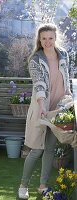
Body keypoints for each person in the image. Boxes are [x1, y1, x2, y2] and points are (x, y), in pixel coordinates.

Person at [18, 23, 72, 199]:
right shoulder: (35, 59)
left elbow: (67, 77)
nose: (47, 42)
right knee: (36, 150)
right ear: (39, 40)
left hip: (58, 109)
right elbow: (39, 83)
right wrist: (42, 105)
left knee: (49, 149)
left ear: (55, 38)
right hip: (42, 108)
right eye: (44, 39)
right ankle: (23, 185)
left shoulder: (63, 55)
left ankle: (42, 185)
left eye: (50, 38)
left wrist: (69, 98)